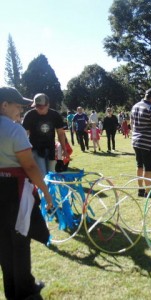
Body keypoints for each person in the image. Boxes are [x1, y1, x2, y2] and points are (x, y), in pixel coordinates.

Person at [0, 86, 53, 300]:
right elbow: (30, 167)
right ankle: (24, 290)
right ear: (4, 105)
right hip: (15, 191)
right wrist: (47, 194)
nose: (20, 110)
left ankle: (13, 289)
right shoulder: (14, 130)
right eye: (17, 105)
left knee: (3, 242)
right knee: (20, 240)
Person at [22, 93, 68, 176]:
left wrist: (64, 149)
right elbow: (24, 134)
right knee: (42, 174)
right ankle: (44, 188)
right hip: (35, 148)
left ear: (48, 105)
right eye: (36, 106)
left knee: (51, 173)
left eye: (41, 107)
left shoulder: (55, 115)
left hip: (51, 148)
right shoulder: (29, 115)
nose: (38, 109)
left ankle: (49, 189)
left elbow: (60, 133)